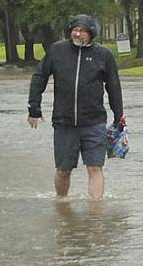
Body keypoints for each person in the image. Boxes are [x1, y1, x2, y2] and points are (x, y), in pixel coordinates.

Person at [27, 14, 124, 200]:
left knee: (95, 167)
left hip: (94, 122)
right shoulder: (57, 51)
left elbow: (114, 87)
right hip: (64, 122)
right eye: (75, 30)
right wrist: (34, 108)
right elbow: (39, 77)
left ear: (91, 34)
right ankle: (61, 203)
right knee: (64, 170)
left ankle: (96, 213)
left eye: (82, 31)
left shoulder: (103, 55)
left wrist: (119, 117)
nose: (77, 34)